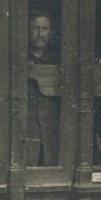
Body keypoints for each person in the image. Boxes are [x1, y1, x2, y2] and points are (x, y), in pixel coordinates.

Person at [23, 11, 61, 166]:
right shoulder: (20, 57)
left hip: (51, 128)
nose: (40, 34)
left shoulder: (58, 59)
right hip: (27, 128)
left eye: (44, 29)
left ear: (50, 32)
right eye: (35, 28)